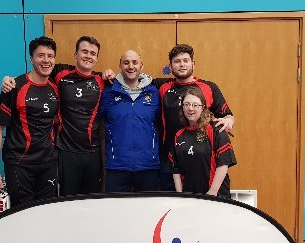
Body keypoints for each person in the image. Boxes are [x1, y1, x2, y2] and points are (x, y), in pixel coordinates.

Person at [103, 44, 234, 191]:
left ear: (193, 64)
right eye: (177, 61)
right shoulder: (160, 86)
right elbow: (132, 78)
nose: (182, 64)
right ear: (171, 66)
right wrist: (111, 76)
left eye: (185, 60)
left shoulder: (209, 87)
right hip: (169, 162)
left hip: (201, 159)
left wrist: (229, 119)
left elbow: (227, 115)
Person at [1, 36, 105, 195]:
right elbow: (35, 74)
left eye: (93, 53)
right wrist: (8, 80)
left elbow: (127, 81)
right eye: (84, 51)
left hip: (93, 153)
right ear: (75, 54)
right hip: (65, 153)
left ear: (97, 58)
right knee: (64, 203)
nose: (88, 56)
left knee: (91, 202)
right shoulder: (59, 72)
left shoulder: (103, 80)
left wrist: (110, 74)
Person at [0, 36, 59, 206]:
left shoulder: (56, 88)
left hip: (48, 163)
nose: (46, 60)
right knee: (21, 216)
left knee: (47, 213)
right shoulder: (14, 86)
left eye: (50, 56)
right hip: (19, 163)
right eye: (40, 55)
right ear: (31, 58)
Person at [99, 50, 160, 192]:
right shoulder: (108, 92)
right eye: (126, 63)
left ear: (141, 66)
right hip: (117, 166)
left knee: (147, 212)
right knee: (116, 212)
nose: (131, 66)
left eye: (135, 62)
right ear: (120, 66)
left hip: (148, 166)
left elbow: (160, 123)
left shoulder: (154, 93)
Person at [168, 86, 236, 197]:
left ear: (203, 107)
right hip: (190, 198)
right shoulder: (179, 135)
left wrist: (212, 193)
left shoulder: (216, 129)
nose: (190, 108)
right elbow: (176, 170)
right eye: (186, 104)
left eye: (195, 105)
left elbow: (223, 164)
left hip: (215, 197)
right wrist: (180, 195)